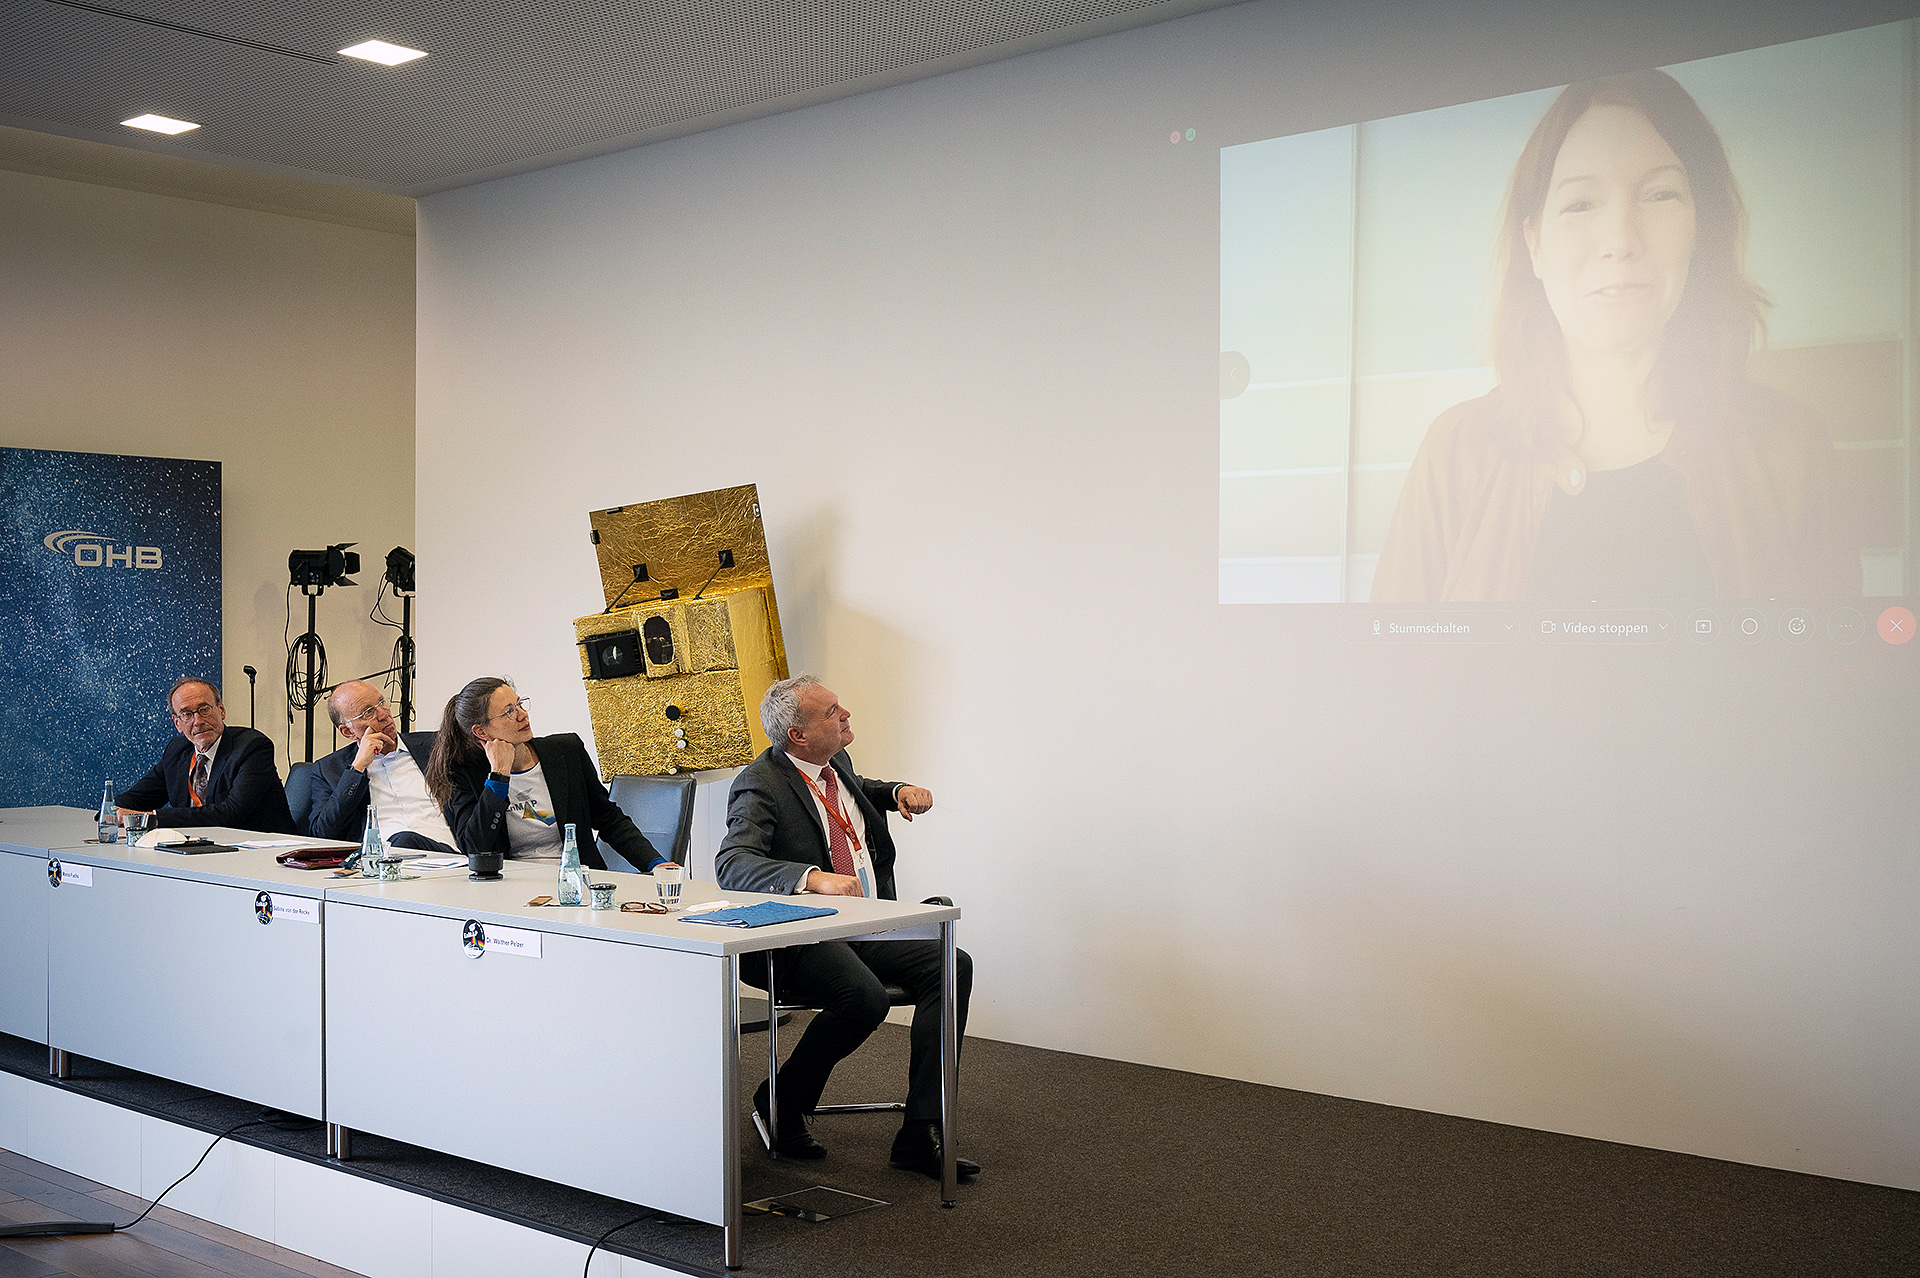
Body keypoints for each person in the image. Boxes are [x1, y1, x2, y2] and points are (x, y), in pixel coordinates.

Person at [1370, 69, 1854, 603]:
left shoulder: (1791, 447)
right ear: (1534, 245)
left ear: (1701, 228)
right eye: (1580, 203)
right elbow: (1388, 653)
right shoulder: (1455, 451)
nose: (1620, 240)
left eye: (1660, 195)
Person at [715, 674, 976, 1181]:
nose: (846, 714)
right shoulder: (759, 783)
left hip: (866, 924)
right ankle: (783, 1099)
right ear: (798, 735)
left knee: (951, 965)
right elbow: (733, 863)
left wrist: (896, 791)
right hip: (803, 935)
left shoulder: (836, 763)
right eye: (832, 711)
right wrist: (812, 877)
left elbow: (858, 791)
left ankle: (922, 1129)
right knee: (864, 997)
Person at [423, 677, 675, 874]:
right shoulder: (465, 774)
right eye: (508, 711)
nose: (523, 715)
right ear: (481, 732)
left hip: (577, 880)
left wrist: (654, 862)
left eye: (519, 704)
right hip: (509, 888)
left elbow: (608, 818)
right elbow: (474, 849)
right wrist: (498, 775)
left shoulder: (566, 751)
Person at [117, 677, 296, 834]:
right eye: (187, 714)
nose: (198, 721)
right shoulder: (177, 751)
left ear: (221, 710)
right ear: (177, 723)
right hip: (196, 850)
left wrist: (149, 819)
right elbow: (136, 798)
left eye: (204, 710)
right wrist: (113, 810)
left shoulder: (252, 747)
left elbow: (229, 814)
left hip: (259, 851)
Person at [305, 680, 459, 853]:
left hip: (446, 855)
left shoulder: (436, 745)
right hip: (379, 862)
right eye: (368, 712)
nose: (384, 714)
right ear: (348, 731)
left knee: (404, 840)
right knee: (401, 841)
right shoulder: (329, 769)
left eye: (382, 702)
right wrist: (357, 768)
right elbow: (322, 834)